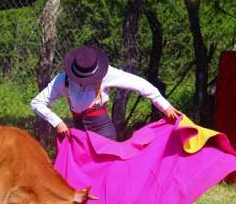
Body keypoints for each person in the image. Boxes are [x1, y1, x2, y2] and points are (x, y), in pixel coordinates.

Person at [31, 45, 181, 140]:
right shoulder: (62, 80)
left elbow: (139, 83)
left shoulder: (106, 73)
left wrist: (164, 105)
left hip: (104, 134)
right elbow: (37, 103)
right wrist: (57, 123)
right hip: (80, 136)